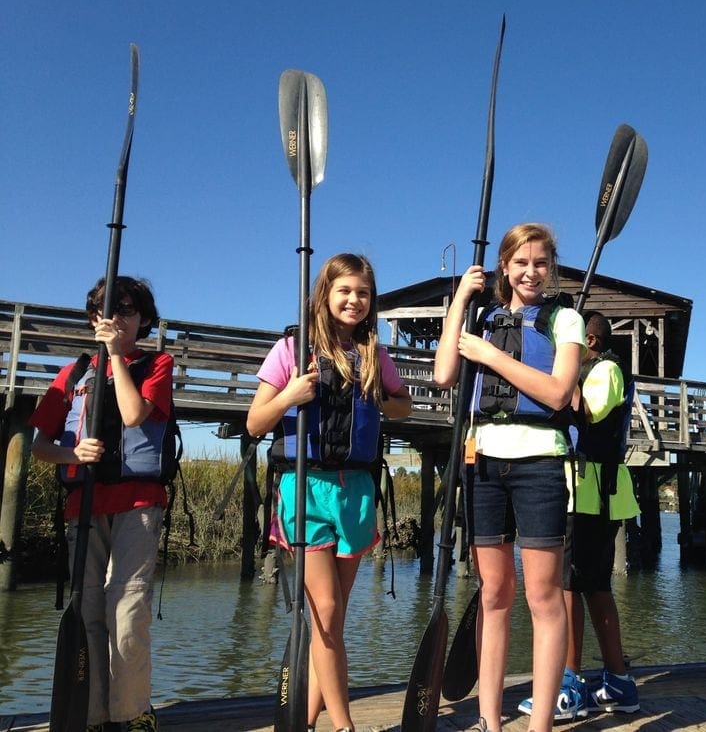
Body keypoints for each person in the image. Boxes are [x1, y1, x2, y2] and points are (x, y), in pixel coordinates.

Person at [246, 253, 411, 732]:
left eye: (362, 293)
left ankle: (306, 719)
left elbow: (401, 407)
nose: (354, 300)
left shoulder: (375, 355)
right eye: (345, 291)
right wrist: (289, 396)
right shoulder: (292, 350)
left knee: (329, 622)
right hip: (307, 488)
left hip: (356, 491)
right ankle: (344, 726)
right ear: (325, 294)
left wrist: (381, 394)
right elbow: (256, 423)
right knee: (327, 611)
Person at [434, 223, 584, 732]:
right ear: (504, 266)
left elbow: (560, 392)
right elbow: (444, 374)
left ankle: (540, 724)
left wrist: (493, 355)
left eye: (540, 263)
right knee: (494, 593)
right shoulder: (480, 317)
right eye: (520, 262)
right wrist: (460, 300)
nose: (531, 272)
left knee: (543, 597)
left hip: (540, 462)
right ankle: (489, 721)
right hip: (484, 465)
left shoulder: (565, 320)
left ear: (551, 268)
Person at [30, 276, 173, 732]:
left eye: (127, 310)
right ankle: (92, 715)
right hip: (84, 508)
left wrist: (113, 354)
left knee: (126, 610)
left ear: (143, 318)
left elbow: (133, 415)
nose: (115, 318)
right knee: (89, 609)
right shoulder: (73, 373)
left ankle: (131, 713)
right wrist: (72, 454)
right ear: (94, 318)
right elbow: (39, 443)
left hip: (137, 503)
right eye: (105, 310)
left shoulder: (157, 363)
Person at [518, 310, 641, 720]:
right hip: (585, 490)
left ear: (589, 342)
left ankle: (569, 682)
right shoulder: (595, 366)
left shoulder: (606, 370)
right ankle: (616, 680)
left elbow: (587, 412)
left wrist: (563, 379)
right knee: (587, 585)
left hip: (592, 492)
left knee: (572, 587)